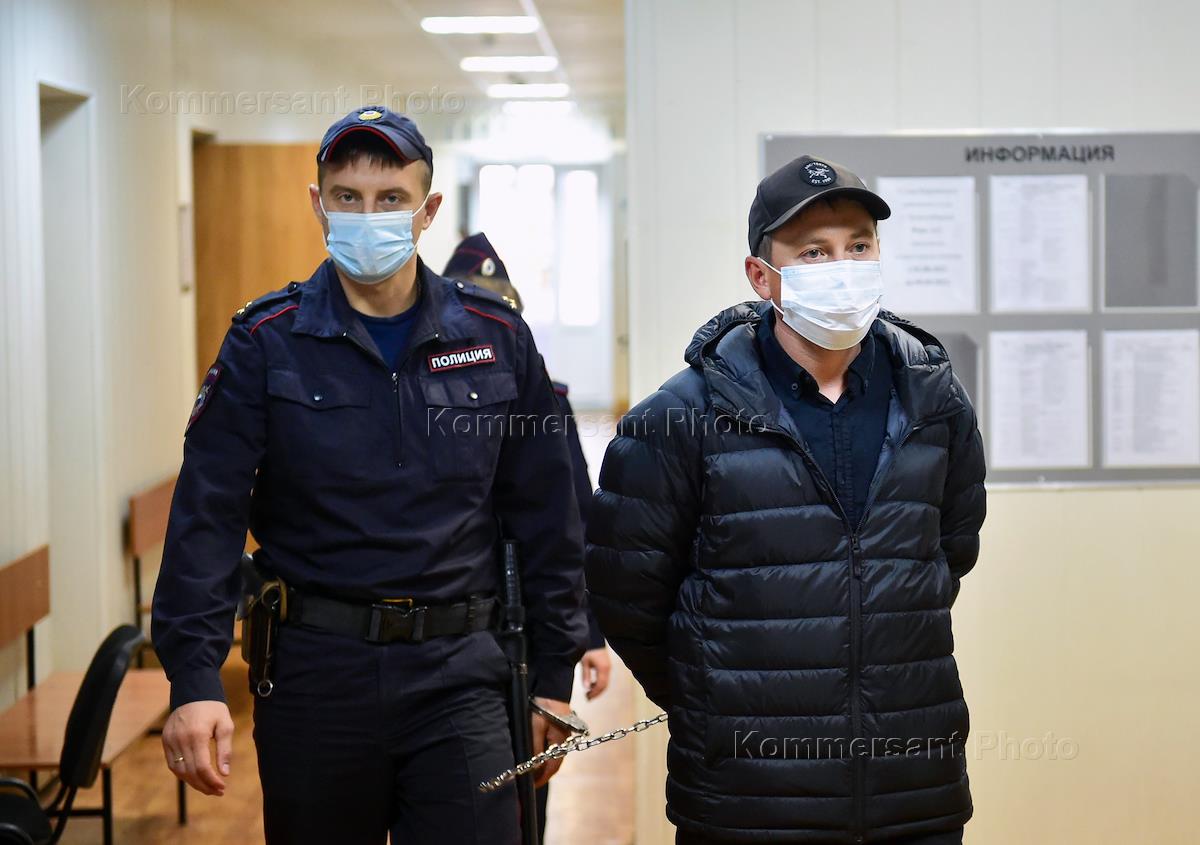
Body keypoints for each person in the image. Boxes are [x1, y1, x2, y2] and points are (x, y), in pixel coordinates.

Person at [151, 106, 589, 845]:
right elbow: (207, 516)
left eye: (390, 199)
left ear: (428, 210)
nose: (367, 216)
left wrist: (554, 675)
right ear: (318, 203)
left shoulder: (496, 339)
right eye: (347, 197)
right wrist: (195, 679)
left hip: (461, 674)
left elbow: (549, 517)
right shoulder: (266, 341)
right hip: (315, 674)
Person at [585, 155, 986, 844]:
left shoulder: (933, 399)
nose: (843, 267)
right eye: (814, 252)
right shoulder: (677, 419)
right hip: (751, 797)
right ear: (761, 276)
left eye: (858, 245)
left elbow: (948, 553)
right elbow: (628, 593)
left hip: (911, 788)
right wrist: (715, 694)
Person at [443, 232, 612, 843]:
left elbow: (574, 517)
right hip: (451, 621)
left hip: (521, 623)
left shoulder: (545, 401)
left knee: (523, 799)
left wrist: (589, 634)